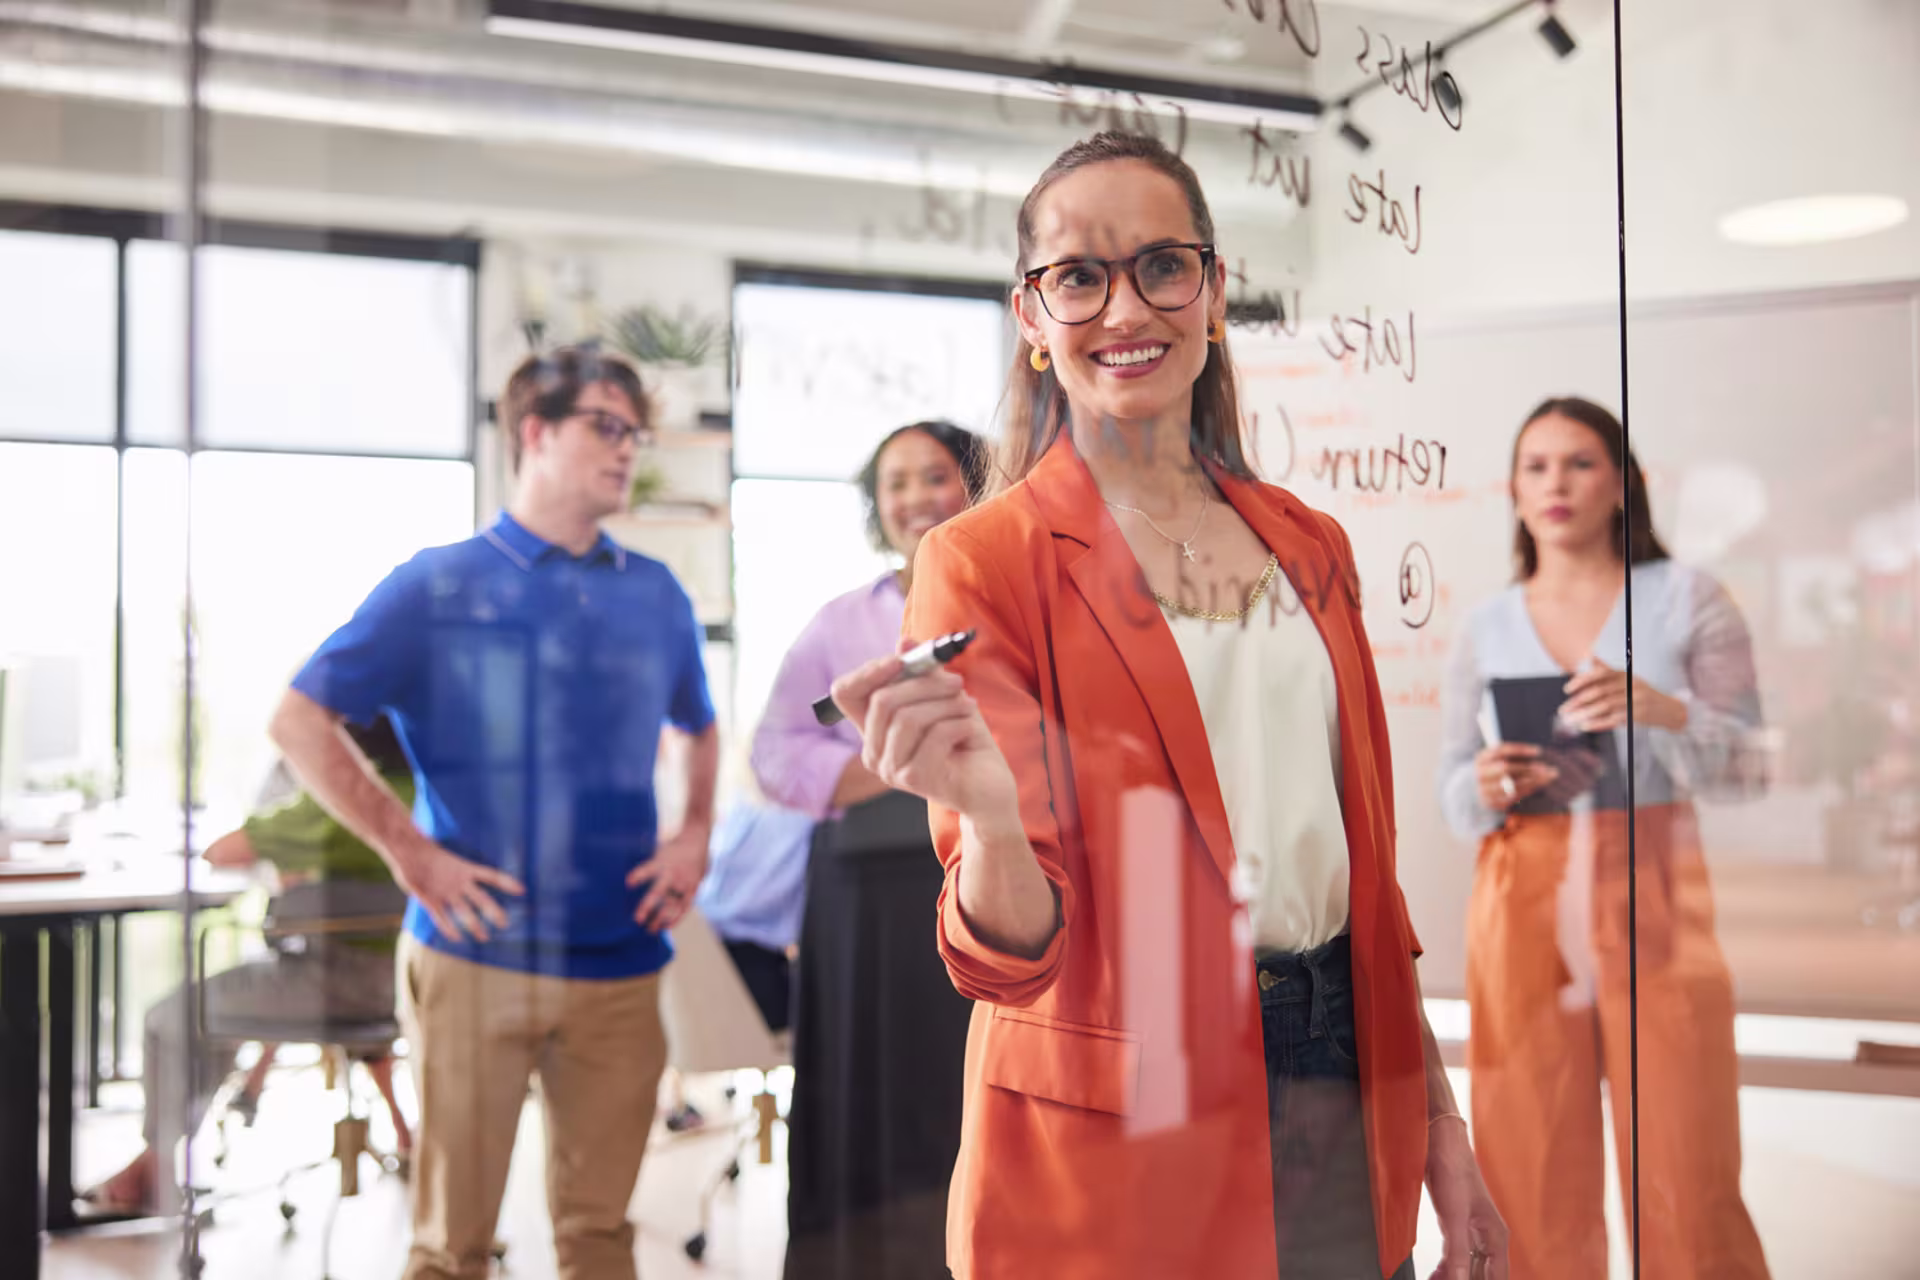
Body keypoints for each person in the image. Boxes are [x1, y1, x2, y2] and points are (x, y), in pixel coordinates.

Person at [828, 130, 1506, 1280]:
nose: (1124, 307)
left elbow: (1363, 874)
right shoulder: (983, 557)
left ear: (1215, 290)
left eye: (1161, 265)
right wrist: (993, 817)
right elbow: (1002, 957)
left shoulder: (1309, 542)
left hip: (1347, 1061)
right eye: (1079, 277)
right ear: (1032, 318)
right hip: (1127, 1114)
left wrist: (1438, 1118)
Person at [269, 344, 719, 1280]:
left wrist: (695, 835)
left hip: (622, 960)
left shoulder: (657, 593)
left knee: (599, 1236)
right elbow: (298, 719)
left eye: (634, 432)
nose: (627, 448)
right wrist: (411, 855)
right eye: (605, 425)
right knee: (450, 1246)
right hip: (474, 953)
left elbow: (698, 727)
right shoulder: (435, 584)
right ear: (535, 433)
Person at [1437, 397, 1771, 1280]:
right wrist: (1483, 784)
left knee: (1687, 1159)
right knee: (1525, 1158)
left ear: (1623, 483)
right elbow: (1450, 789)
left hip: (1651, 889)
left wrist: (1665, 711)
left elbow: (1753, 766)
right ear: (1511, 490)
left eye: (1579, 462)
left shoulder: (1687, 598)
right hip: (1521, 897)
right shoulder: (1484, 625)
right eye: (1536, 466)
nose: (1556, 483)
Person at [750, 420, 987, 1279]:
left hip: (979, 878)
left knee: (965, 1092)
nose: (916, 497)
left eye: (935, 476)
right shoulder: (841, 621)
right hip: (857, 894)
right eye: (895, 483)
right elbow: (775, 751)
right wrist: (896, 761)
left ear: (977, 484)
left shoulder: (1014, 599)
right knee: (858, 1092)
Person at [83, 716, 415, 1216]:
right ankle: (157, 1163)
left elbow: (223, 851)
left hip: (328, 983)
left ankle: (156, 1165)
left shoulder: (341, 798)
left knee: (169, 1019)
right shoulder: (425, 797)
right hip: (403, 988)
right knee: (216, 1015)